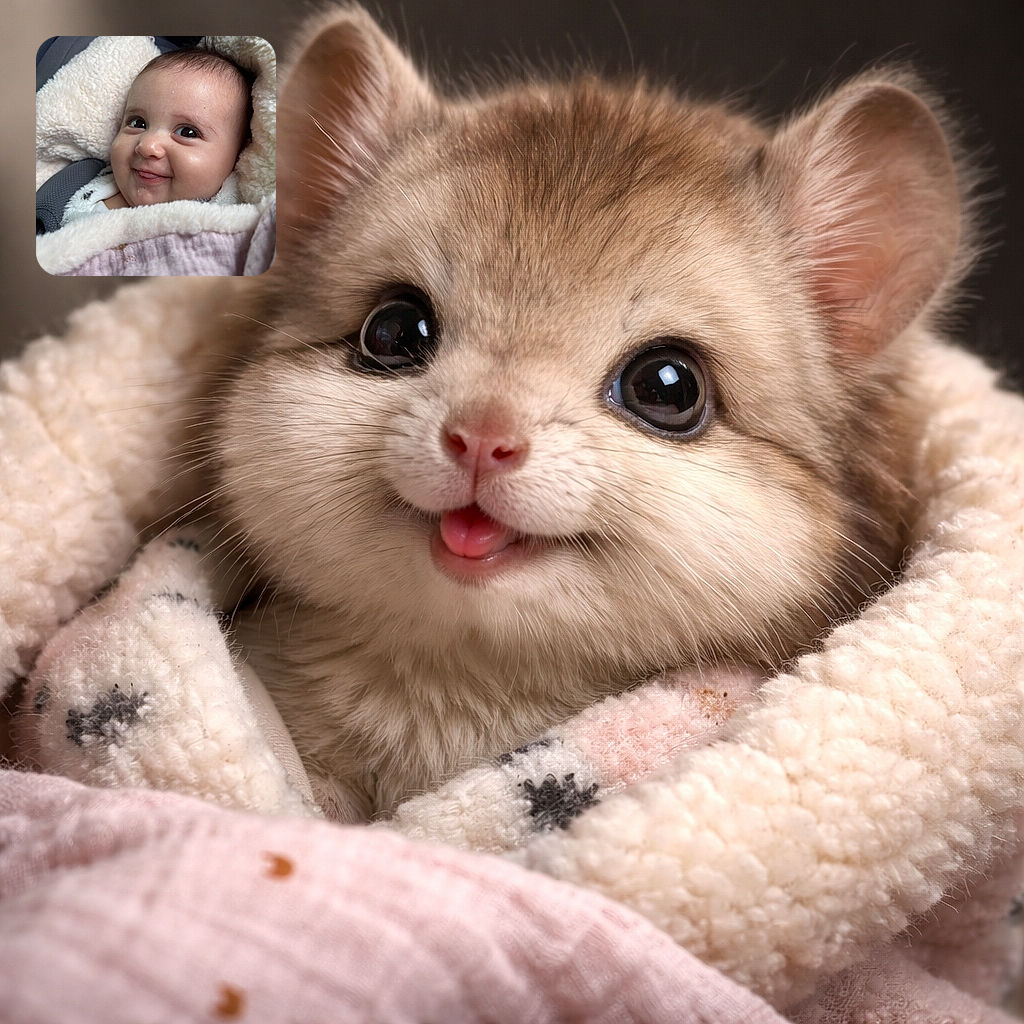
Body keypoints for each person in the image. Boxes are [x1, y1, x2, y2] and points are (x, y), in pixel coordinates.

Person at [102, 49, 252, 210]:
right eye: (138, 123)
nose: (147, 146)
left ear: (240, 155)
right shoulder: (88, 190)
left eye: (187, 132)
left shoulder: (240, 218)